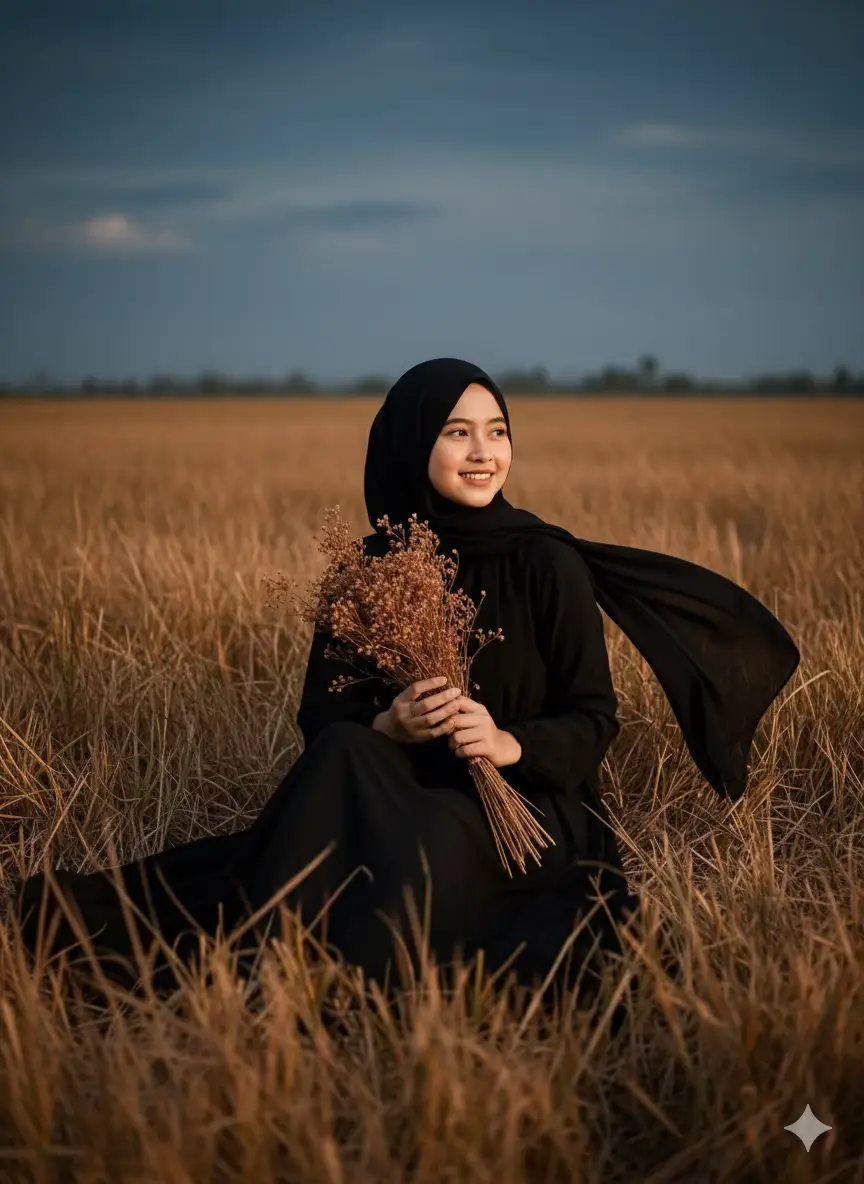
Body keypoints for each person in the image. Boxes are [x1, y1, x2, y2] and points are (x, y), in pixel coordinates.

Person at [12, 358, 801, 1007]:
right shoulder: (369, 574)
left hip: (524, 812)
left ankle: (289, 970)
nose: (483, 451)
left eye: (497, 431)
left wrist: (504, 740)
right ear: (410, 444)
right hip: (393, 781)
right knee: (343, 756)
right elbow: (320, 717)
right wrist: (390, 724)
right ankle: (256, 962)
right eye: (457, 433)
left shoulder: (545, 562)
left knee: (407, 856)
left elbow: (596, 720)